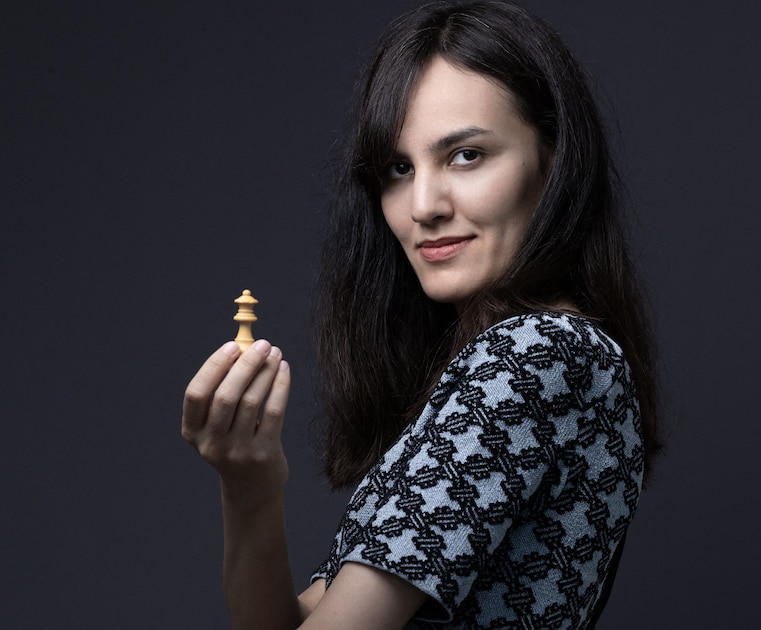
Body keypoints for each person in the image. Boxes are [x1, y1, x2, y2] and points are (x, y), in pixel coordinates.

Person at [180, 2, 661, 628]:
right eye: (398, 169)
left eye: (465, 155)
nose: (423, 206)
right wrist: (249, 487)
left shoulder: (538, 354)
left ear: (554, 161)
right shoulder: (526, 360)